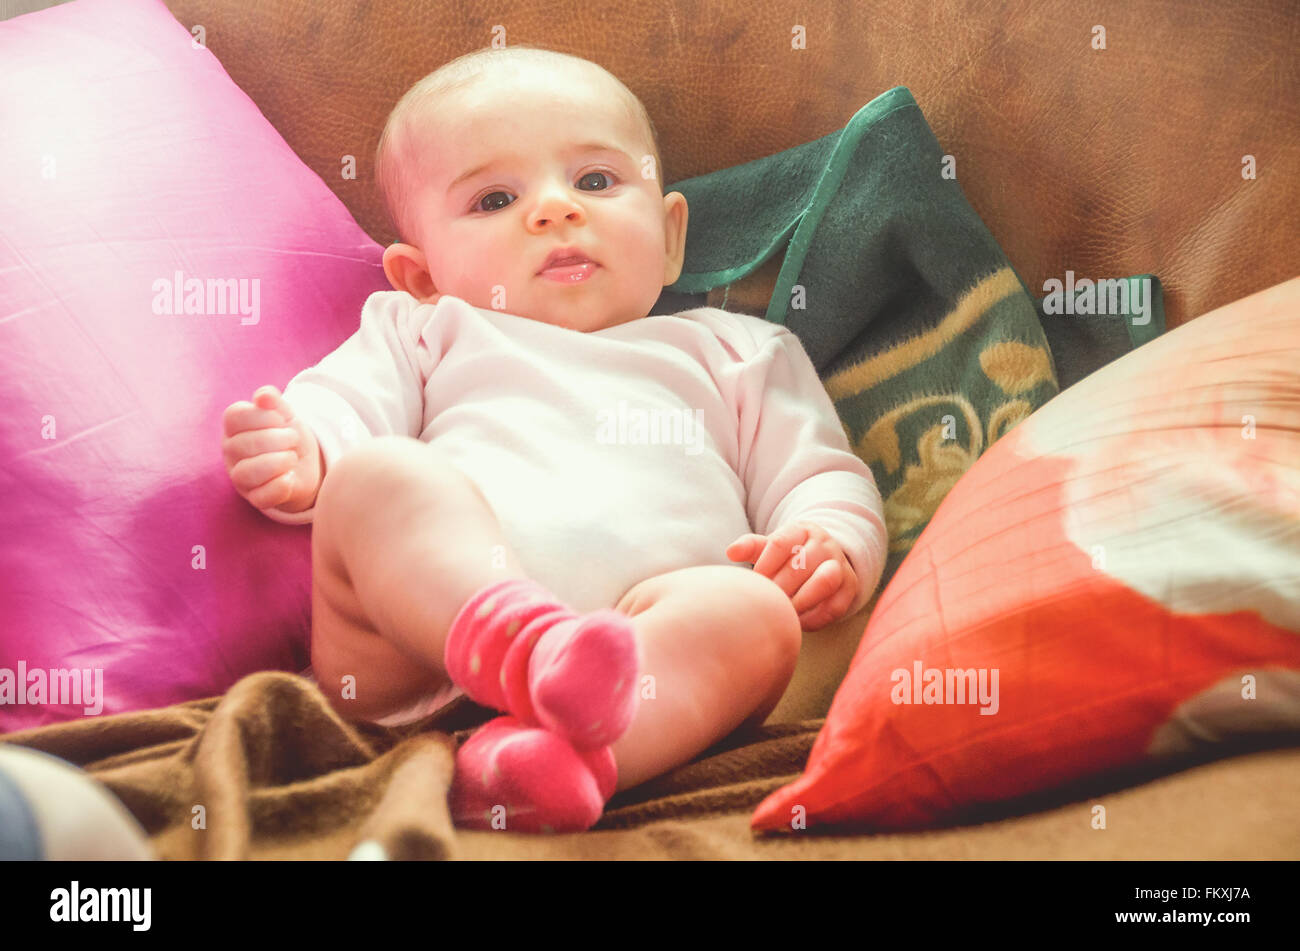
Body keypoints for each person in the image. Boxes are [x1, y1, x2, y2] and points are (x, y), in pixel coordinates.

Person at [220, 46, 887, 833]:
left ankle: (561, 762)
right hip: (416, 664)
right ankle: (526, 645)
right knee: (379, 477)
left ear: (671, 236)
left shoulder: (738, 351)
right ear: (422, 274)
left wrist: (830, 541)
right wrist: (308, 449)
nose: (554, 210)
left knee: (754, 614)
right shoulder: (429, 327)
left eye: (596, 181)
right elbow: (344, 402)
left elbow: (820, 472)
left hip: (646, 660)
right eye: (495, 197)